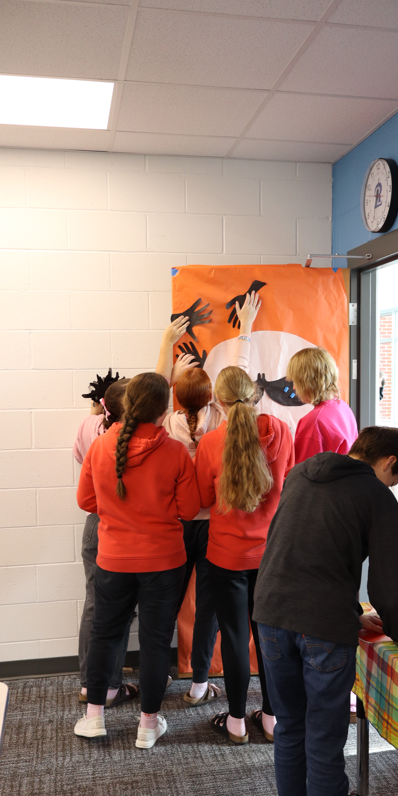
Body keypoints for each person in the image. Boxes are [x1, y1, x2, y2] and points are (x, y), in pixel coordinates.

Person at [253, 426, 398, 796]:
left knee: (290, 729)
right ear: (388, 462)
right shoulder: (377, 496)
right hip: (321, 629)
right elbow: (389, 586)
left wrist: (352, 614)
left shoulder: (304, 473)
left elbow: (300, 553)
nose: (392, 488)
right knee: (325, 746)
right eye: (395, 478)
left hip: (270, 614)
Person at [73, 373, 201, 747]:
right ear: (164, 411)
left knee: (105, 635)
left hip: (113, 560)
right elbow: (190, 509)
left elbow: (86, 502)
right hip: (164, 561)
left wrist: (118, 511)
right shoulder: (176, 451)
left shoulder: (100, 447)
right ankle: (148, 724)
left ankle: (94, 716)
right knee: (156, 641)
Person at [155, 293, 262, 708]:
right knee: (208, 609)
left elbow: (152, 394)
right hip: (215, 527)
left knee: (167, 601)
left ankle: (158, 672)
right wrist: (245, 330)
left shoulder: (168, 422)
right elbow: (239, 379)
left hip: (181, 525)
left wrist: (170, 363)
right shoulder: (223, 420)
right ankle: (200, 682)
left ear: (177, 397)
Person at [194, 366, 294, 744]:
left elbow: (203, 500)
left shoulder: (210, 443)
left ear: (218, 401)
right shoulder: (281, 431)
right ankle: (271, 718)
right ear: (255, 394)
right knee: (269, 637)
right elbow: (287, 483)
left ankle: (236, 722)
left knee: (235, 638)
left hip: (226, 557)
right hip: (270, 556)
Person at [75, 372, 138, 709]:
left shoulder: (90, 428)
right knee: (119, 611)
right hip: (118, 526)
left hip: (95, 523)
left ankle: (90, 683)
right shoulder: (134, 438)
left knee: (93, 605)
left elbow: (81, 472)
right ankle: (110, 685)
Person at [286, 347, 358, 464]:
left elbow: (302, 473)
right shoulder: (343, 406)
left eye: (295, 382)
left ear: (308, 382)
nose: (294, 387)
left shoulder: (314, 421)